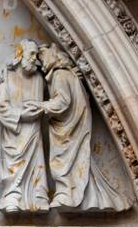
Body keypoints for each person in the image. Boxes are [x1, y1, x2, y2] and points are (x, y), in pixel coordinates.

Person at [39, 44, 129, 212]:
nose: (41, 61)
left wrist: (41, 105)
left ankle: (67, 195)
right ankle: (94, 198)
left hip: (68, 128)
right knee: (79, 161)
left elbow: (63, 102)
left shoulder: (60, 75)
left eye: (43, 56)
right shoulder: (68, 74)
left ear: (54, 56)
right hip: (72, 126)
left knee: (65, 162)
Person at [0, 39, 48, 213]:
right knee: (13, 166)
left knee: (37, 164)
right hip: (14, 131)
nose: (34, 58)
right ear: (20, 54)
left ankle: (38, 197)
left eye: (36, 55)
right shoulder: (7, 76)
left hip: (33, 131)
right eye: (31, 54)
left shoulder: (38, 79)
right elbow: (0, 106)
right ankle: (12, 197)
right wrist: (21, 115)